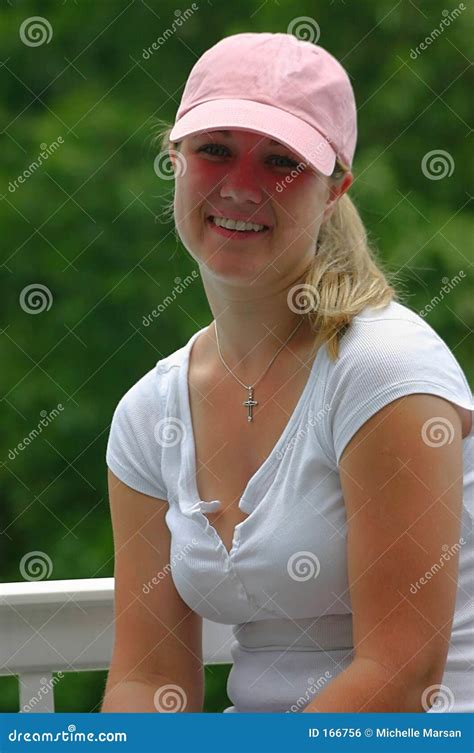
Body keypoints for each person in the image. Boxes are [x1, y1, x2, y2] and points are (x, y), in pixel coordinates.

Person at [102, 32, 474, 713]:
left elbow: (402, 672)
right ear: (175, 162)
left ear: (336, 192)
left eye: (282, 161)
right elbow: (148, 678)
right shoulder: (148, 414)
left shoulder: (384, 372)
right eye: (215, 149)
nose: (243, 186)